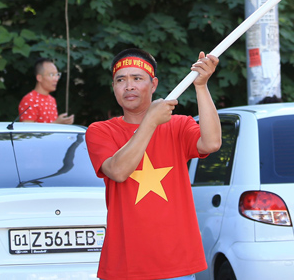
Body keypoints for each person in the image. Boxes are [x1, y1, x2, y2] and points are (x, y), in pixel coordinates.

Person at [85, 48, 221, 280]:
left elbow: (212, 143)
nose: (129, 86)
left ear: (153, 84)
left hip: (178, 264)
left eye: (137, 78)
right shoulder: (100, 131)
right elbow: (118, 171)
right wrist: (150, 121)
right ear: (113, 87)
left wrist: (201, 86)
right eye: (121, 80)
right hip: (125, 266)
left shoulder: (178, 125)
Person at [18, 58, 74, 124]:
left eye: (57, 75)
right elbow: (28, 128)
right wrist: (56, 123)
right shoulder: (29, 100)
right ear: (39, 78)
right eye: (51, 75)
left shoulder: (52, 100)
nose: (56, 79)